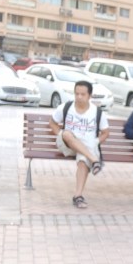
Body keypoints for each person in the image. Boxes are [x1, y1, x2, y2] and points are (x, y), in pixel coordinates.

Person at [49, 79, 109, 209]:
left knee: (83, 160)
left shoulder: (97, 112)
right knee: (67, 134)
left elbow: (105, 133)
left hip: (86, 146)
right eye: (77, 94)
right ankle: (94, 160)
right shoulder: (65, 107)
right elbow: (52, 123)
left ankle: (78, 196)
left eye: (83, 94)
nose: (79, 97)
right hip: (67, 144)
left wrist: (96, 142)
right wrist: (59, 134)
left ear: (90, 96)